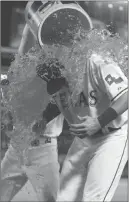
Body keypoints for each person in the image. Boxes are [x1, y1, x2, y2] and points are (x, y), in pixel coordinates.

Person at [1, 24, 64, 202]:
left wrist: (43, 117)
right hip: (17, 148)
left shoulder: (60, 68)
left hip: (44, 149)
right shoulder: (25, 66)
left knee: (51, 199)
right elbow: (10, 90)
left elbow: (62, 98)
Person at [56, 53, 128, 201]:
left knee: (93, 198)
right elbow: (71, 117)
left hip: (112, 137)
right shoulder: (57, 68)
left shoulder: (100, 62)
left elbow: (126, 96)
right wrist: (57, 91)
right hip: (83, 140)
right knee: (64, 199)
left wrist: (99, 122)